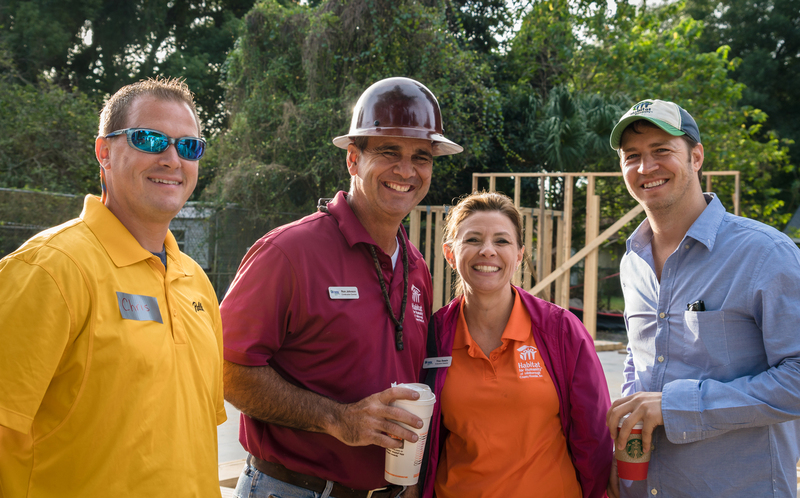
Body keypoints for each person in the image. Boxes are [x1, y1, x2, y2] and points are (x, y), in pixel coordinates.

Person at [220, 77, 463, 498]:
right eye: (389, 152)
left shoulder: (416, 268)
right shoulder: (290, 252)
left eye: (421, 157)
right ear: (353, 159)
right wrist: (337, 418)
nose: (406, 171)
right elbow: (222, 367)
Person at [0, 77, 226, 497]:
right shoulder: (48, 270)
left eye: (189, 146)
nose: (172, 159)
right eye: (149, 139)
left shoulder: (196, 283)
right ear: (104, 152)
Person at [606, 99, 800, 497]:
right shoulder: (633, 262)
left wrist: (678, 406)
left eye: (661, 150)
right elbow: (639, 360)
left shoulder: (764, 254)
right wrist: (625, 443)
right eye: (632, 156)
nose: (646, 167)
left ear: (696, 157)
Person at [419, 191, 613, 498]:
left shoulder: (561, 331)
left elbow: (594, 438)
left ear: (520, 254)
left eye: (502, 241)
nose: (487, 251)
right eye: (473, 240)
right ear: (450, 254)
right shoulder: (433, 336)